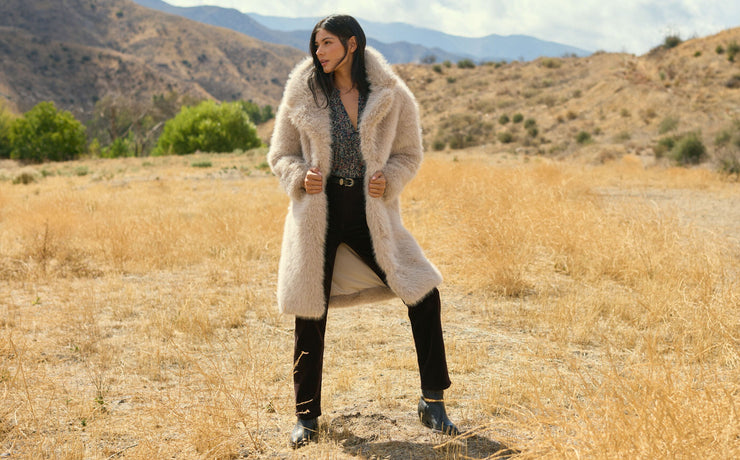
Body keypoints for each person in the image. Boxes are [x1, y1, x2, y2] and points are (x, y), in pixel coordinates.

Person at [267, 14, 459, 448]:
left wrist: (389, 178)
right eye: (316, 44)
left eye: (328, 43)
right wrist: (299, 176)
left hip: (371, 212)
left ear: (351, 44)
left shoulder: (392, 94)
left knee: (424, 293)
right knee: (310, 310)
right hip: (318, 212)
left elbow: (410, 153)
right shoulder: (303, 91)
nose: (319, 52)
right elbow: (280, 154)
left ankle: (433, 402)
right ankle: (306, 417)